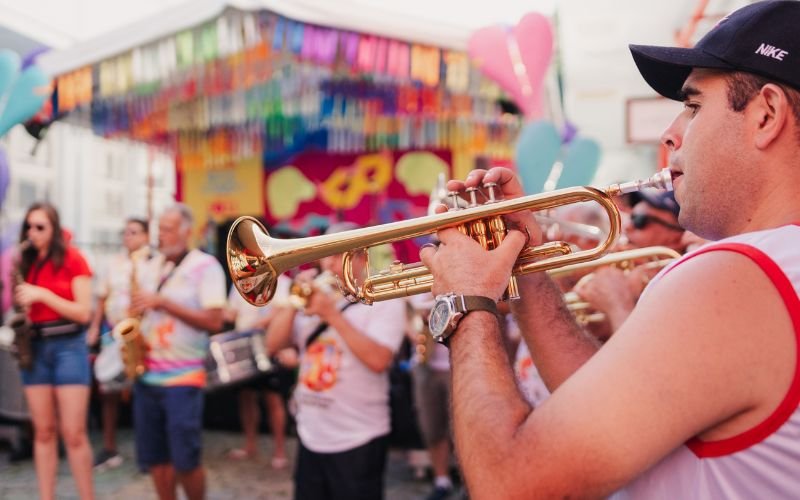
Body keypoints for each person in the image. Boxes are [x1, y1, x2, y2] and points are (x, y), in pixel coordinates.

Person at [418, 1, 800, 497]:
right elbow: (607, 407)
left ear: (766, 114)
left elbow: (510, 483)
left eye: (693, 105)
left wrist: (465, 302)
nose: (670, 133)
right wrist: (528, 267)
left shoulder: (738, 275)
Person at [266, 222, 406, 500]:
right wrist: (294, 304)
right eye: (325, 255)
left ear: (358, 256)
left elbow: (379, 360)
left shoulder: (384, 300)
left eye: (336, 255)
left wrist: (332, 315)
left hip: (359, 436)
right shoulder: (314, 298)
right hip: (310, 433)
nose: (328, 264)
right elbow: (272, 344)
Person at [129, 203, 226, 500]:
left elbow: (215, 321)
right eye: (160, 229)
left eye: (168, 229)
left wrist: (163, 303)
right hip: (146, 376)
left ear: (187, 232)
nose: (161, 235)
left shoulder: (206, 266)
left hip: (183, 379)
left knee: (185, 461)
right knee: (156, 461)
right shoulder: (152, 265)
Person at [14, 202, 94, 500]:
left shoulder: (74, 258)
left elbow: (84, 312)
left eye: (40, 227)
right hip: (34, 347)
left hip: (68, 347)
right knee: (43, 432)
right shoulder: (26, 260)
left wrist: (43, 295)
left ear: (55, 229)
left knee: (73, 433)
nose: (32, 233)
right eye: (29, 227)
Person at [86, 217, 152, 471]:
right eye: (125, 233)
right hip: (115, 333)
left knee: (143, 393)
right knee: (109, 391)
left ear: (146, 236)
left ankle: (147, 451)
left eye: (134, 232)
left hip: (141, 334)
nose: (128, 237)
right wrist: (94, 329)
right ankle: (109, 447)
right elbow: (101, 299)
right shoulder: (112, 264)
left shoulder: (153, 264)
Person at [572, 191, 685, 333]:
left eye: (640, 220)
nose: (627, 226)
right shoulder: (630, 269)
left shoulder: (685, 282)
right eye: (631, 217)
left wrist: (617, 304)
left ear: (678, 234)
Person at [224, 274, 297, 470]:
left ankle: (280, 451)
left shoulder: (282, 283)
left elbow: (280, 311)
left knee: (272, 398)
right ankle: (250, 445)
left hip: (268, 344)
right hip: (245, 345)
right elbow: (230, 314)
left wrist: (252, 327)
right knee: (246, 397)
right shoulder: (240, 282)